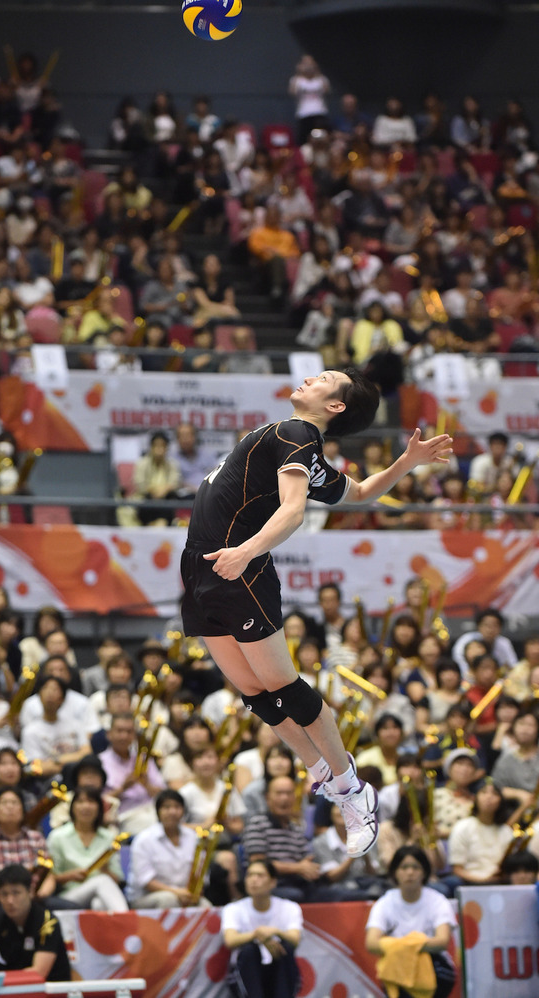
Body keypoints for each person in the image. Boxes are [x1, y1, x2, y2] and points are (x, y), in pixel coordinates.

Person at [180, 367, 452, 857]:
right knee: (254, 693)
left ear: (336, 407)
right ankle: (320, 770)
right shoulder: (299, 445)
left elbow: (293, 511)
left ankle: (352, 790)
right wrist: (407, 462)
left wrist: (246, 551)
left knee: (284, 686)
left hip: (236, 567)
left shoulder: (298, 432)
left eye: (325, 378)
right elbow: (364, 492)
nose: (311, 377)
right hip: (202, 570)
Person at [365, 844, 457, 998]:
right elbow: (371, 943)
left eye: (416, 867)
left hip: (435, 966)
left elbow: (442, 941)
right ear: (395, 872)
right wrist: (411, 946)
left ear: (424, 873)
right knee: (391, 968)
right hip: (398, 966)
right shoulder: (385, 902)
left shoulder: (438, 901)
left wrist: (401, 945)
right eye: (404, 867)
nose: (410, 872)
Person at [222, 859, 302, 998]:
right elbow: (230, 940)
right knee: (248, 950)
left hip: (278, 971)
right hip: (247, 972)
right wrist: (257, 934)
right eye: (250, 875)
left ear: (273, 882)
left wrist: (275, 932)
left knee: (285, 948)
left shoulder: (290, 907)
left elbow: (295, 939)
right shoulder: (233, 908)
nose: (254, 880)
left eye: (260, 875)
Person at [126, 789, 211, 908]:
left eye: (177, 807)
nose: (172, 811)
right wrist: (176, 893)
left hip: (185, 894)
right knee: (168, 899)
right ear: (158, 812)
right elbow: (145, 881)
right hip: (146, 898)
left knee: (206, 906)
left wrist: (193, 892)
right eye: (166, 807)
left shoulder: (193, 837)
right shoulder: (144, 840)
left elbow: (201, 873)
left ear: (183, 811)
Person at [46, 786, 128, 910]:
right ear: (72, 807)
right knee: (102, 881)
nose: (86, 806)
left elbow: (117, 881)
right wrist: (70, 876)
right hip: (68, 895)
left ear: (99, 808)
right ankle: (128, 922)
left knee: (98, 904)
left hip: (102, 893)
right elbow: (49, 879)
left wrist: (105, 870)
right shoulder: (57, 836)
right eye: (80, 801)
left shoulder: (108, 837)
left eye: (91, 801)